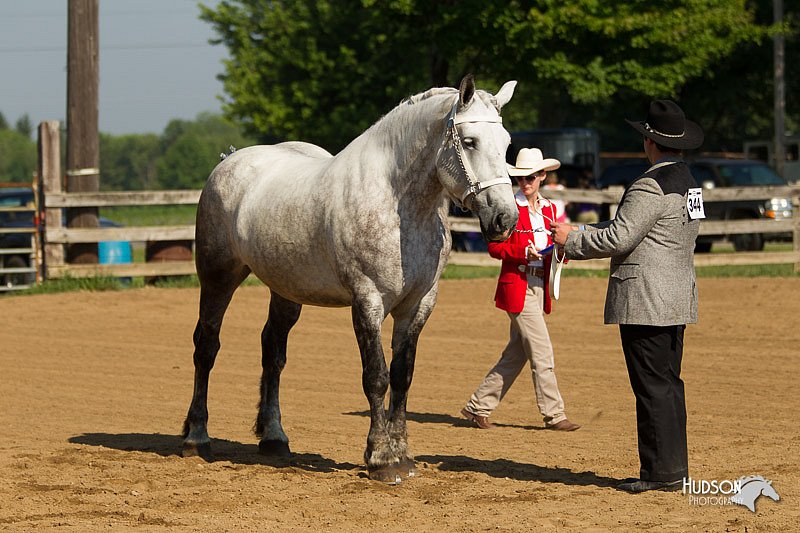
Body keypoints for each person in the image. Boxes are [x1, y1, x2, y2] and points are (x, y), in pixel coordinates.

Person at [551, 100, 703, 493]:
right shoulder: (689, 182)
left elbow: (621, 236)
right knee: (668, 383)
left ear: (650, 142)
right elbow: (642, 229)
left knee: (650, 386)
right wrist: (581, 230)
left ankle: (660, 474)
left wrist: (572, 240)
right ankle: (673, 469)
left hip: (644, 298)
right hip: (675, 293)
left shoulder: (648, 184)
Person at [460, 148, 581, 432]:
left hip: (540, 284)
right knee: (542, 352)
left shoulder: (551, 209)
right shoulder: (508, 208)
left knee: (517, 353)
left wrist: (565, 249)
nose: (525, 183)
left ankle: (477, 407)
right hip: (518, 285)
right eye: (521, 178)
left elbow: (558, 243)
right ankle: (554, 415)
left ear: (542, 176)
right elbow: (494, 247)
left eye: (530, 177)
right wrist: (521, 252)